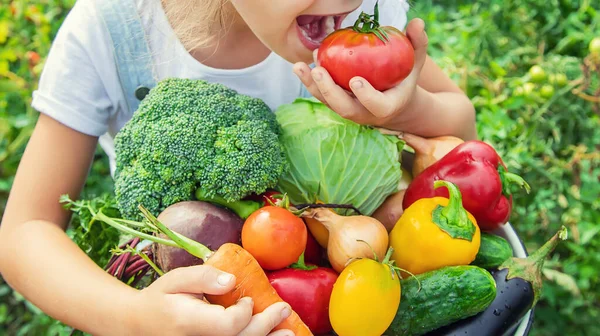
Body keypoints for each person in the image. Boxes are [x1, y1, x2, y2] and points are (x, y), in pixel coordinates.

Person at [0, 0, 476, 335]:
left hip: (348, 284)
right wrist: (130, 317)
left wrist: (407, 110)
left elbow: (463, 127)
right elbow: (25, 230)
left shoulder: (362, 26)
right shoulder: (113, 27)